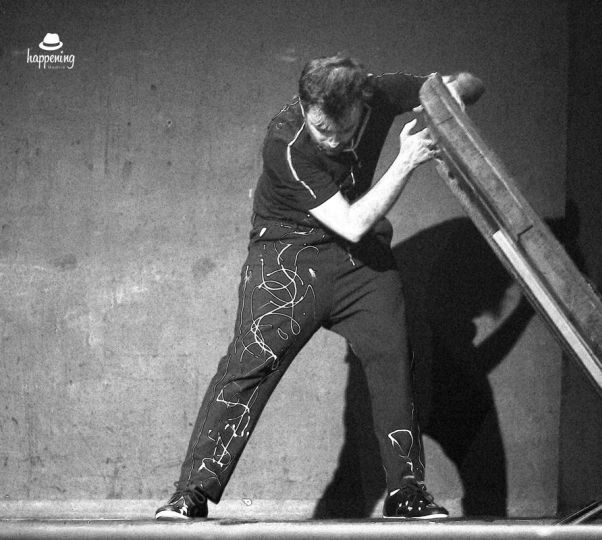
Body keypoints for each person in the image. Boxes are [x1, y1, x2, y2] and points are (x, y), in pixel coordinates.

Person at [155, 55, 484, 520]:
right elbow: (350, 222)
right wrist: (407, 159)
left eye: (340, 129)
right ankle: (191, 493)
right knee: (248, 367)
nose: (329, 140)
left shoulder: (379, 91)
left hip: (358, 262)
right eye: (319, 128)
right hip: (288, 256)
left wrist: (451, 103)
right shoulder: (285, 143)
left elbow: (466, 83)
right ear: (306, 106)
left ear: (361, 102)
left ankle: (406, 493)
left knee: (394, 357)